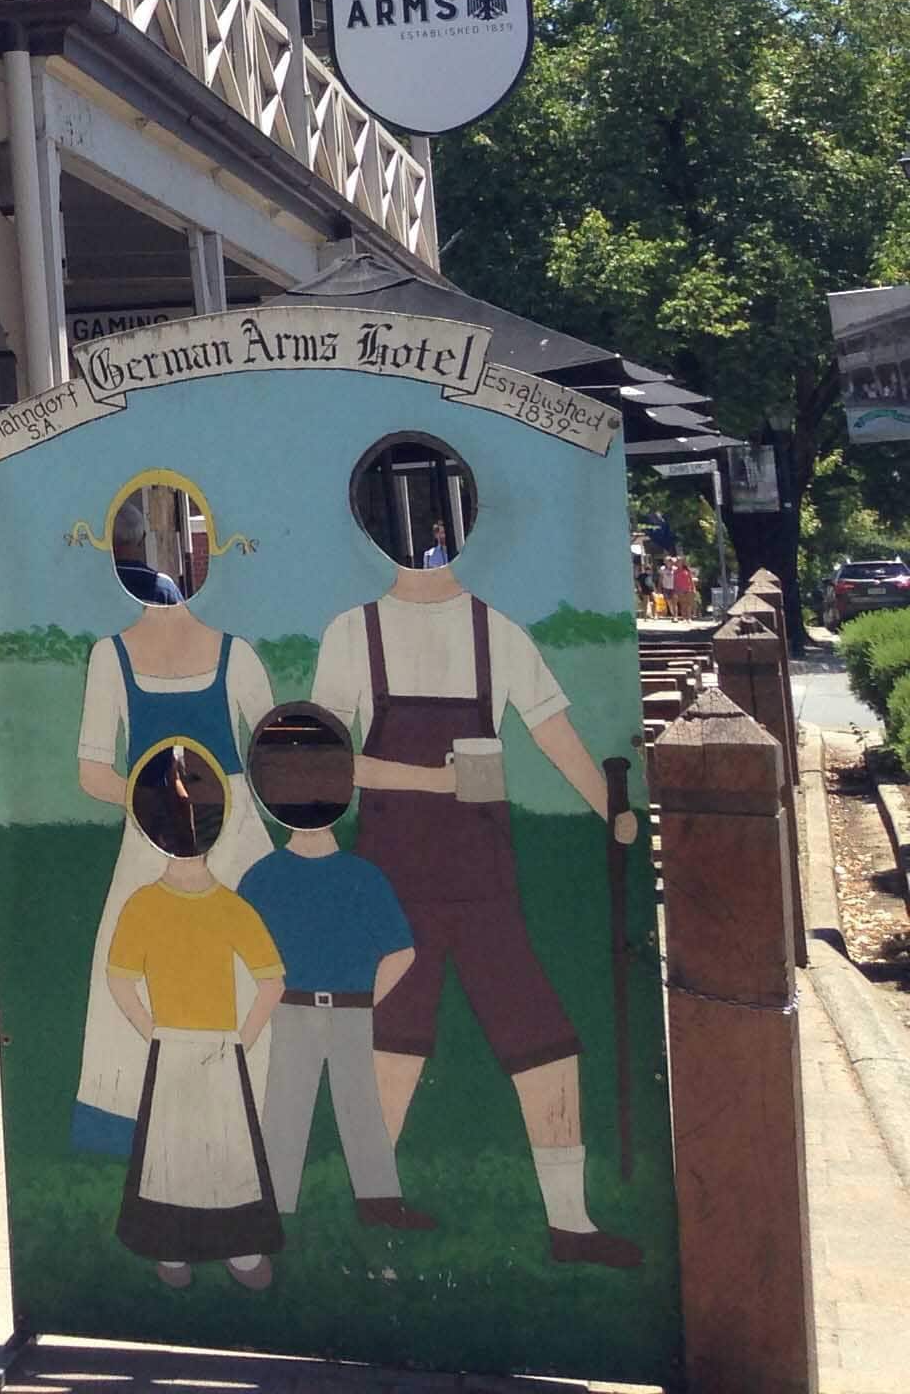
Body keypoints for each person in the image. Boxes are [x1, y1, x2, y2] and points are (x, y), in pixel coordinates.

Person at [309, 460, 646, 1269]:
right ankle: (370, 1202)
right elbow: (327, 763)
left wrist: (616, 811)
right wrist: (435, 779)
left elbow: (556, 733)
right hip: (392, 881)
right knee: (392, 1040)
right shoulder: (353, 634)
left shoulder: (500, 631)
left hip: (486, 878)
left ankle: (571, 1222)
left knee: (543, 1039)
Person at [72, 480, 275, 1156]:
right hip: (151, 837)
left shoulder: (235, 655)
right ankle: (136, 1124)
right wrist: (156, 799)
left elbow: (270, 755)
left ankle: (249, 1113)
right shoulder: (112, 656)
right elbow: (91, 770)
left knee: (247, 968)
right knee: (132, 967)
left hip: (237, 836)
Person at [239, 706, 432, 1232]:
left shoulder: (358, 877)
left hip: (345, 1011)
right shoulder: (261, 879)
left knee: (359, 1107)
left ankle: (379, 1203)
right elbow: (244, 952)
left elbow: (402, 950)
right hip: (294, 1009)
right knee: (285, 1108)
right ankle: (275, 1208)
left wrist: (365, 1000)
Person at [105, 738, 286, 1290]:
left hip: (219, 1046)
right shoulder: (142, 905)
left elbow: (271, 980)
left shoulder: (231, 907)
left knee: (229, 1150)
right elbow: (119, 977)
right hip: (173, 1046)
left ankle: (240, 1248)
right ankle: (171, 1248)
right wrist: (152, 1029)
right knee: (169, 1151)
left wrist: (241, 1039)